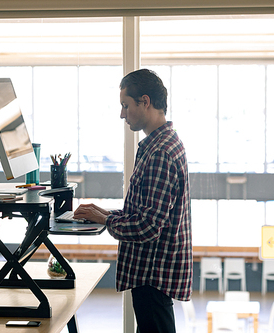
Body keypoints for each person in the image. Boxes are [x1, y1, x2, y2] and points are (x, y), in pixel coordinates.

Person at [74, 68, 193, 333]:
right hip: (155, 273)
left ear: (145, 102)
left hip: (153, 274)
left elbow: (148, 226)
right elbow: (144, 211)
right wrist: (104, 212)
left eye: (126, 106)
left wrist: (106, 220)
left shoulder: (160, 153)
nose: (122, 114)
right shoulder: (161, 144)